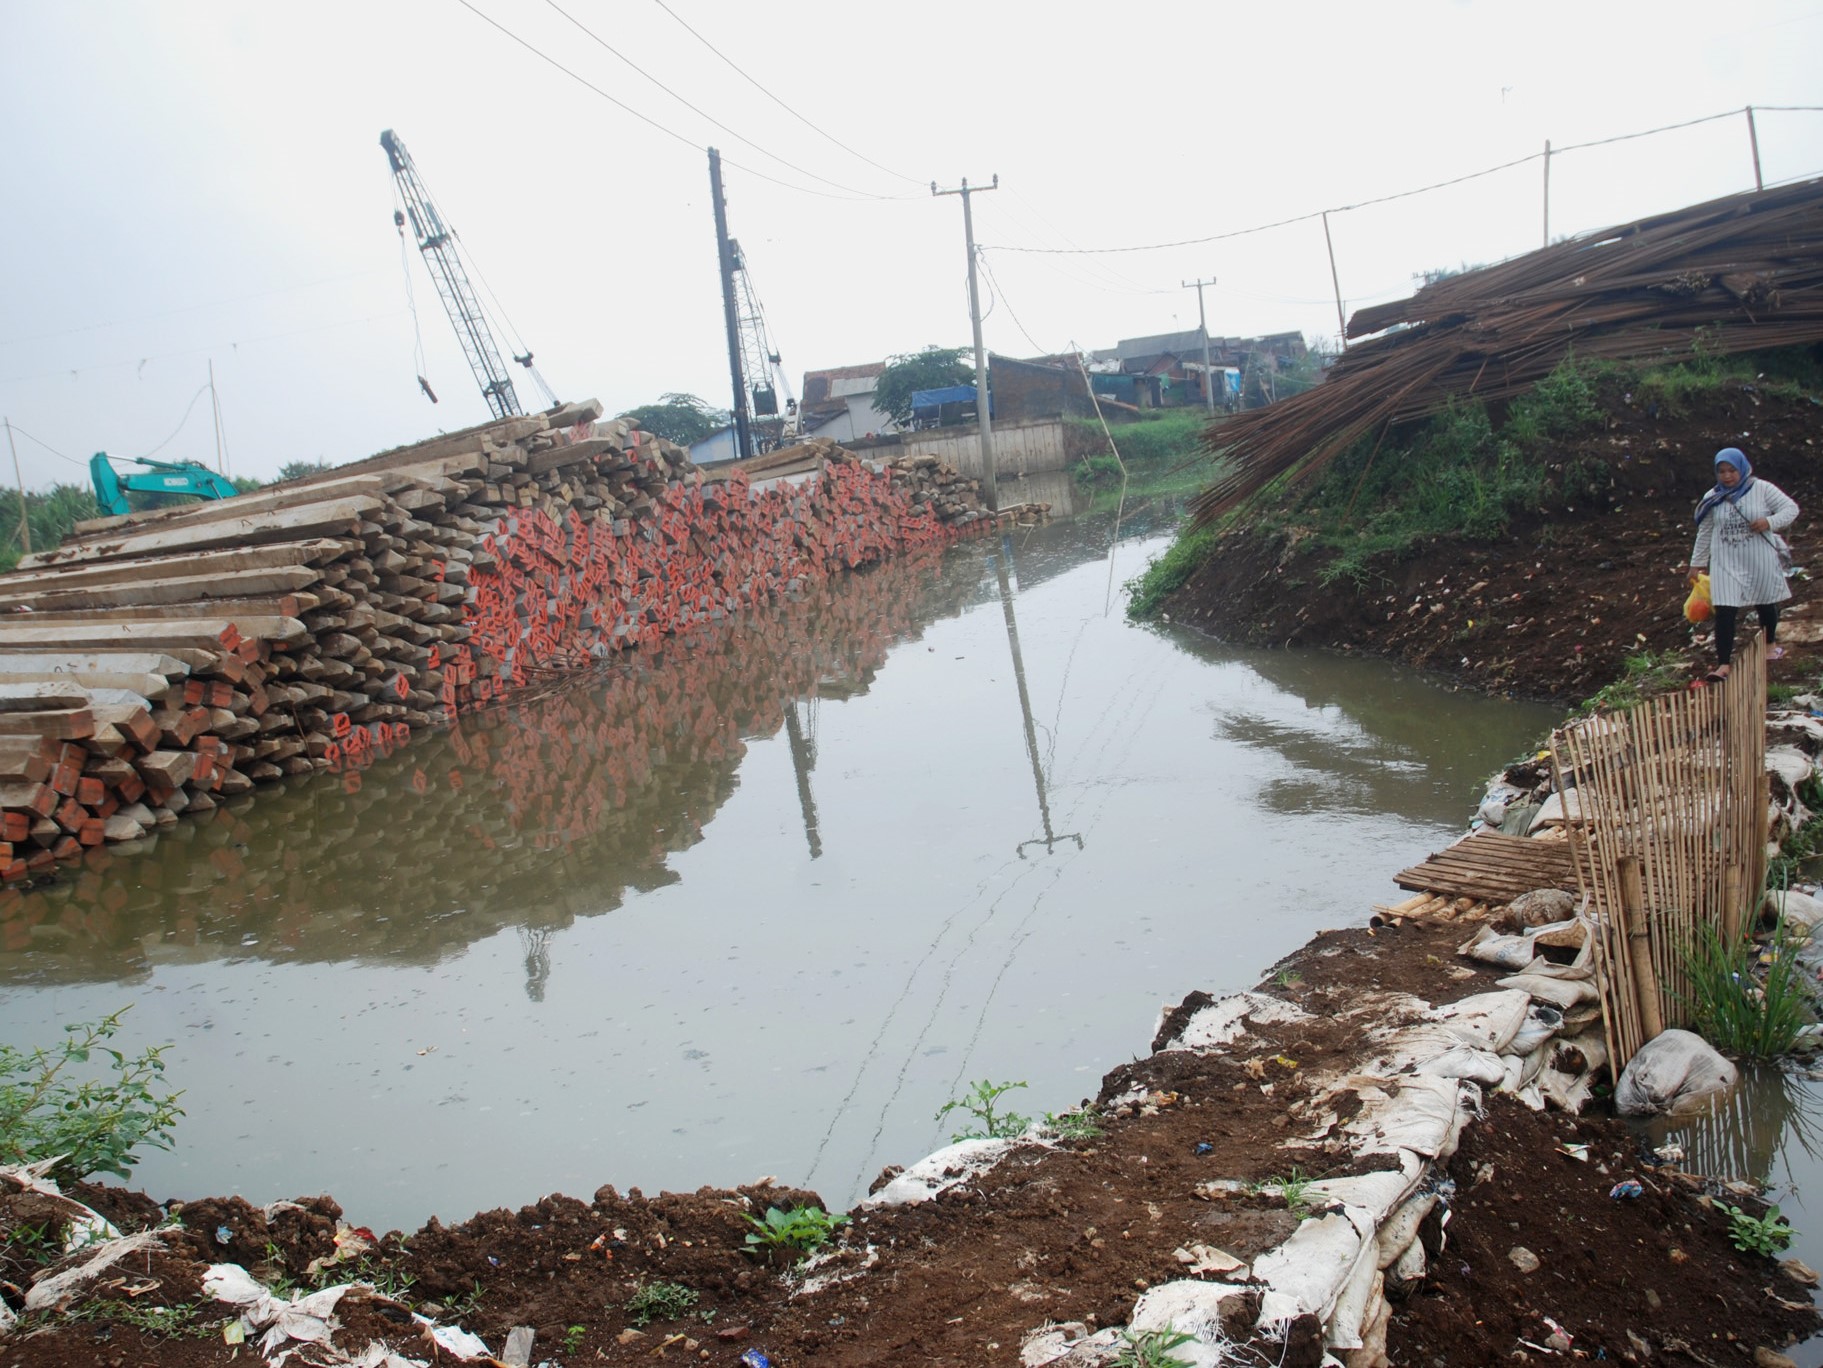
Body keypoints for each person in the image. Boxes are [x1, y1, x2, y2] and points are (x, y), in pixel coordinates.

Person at [1688, 446, 1799, 681]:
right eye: (1722, 471)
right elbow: (1705, 531)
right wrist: (1696, 563)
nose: (1727, 476)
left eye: (1732, 470)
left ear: (1742, 469)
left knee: (1765, 603)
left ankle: (1769, 645)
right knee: (1725, 611)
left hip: (1757, 558)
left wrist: (1769, 522)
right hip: (1726, 560)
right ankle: (1724, 665)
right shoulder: (1712, 498)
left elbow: (1791, 509)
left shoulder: (1761, 489)